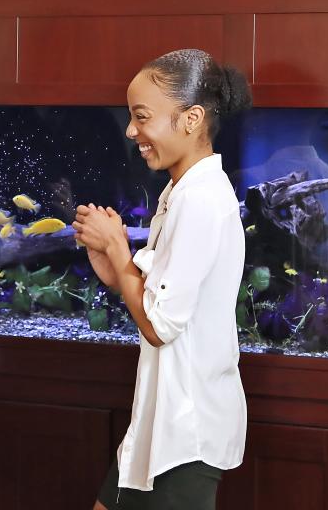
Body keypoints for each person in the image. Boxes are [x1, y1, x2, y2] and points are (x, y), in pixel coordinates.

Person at [72, 49, 251, 510]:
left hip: (186, 429)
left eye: (142, 117)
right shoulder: (179, 190)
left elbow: (158, 325)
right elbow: (150, 293)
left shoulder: (201, 199)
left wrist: (117, 246)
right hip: (159, 419)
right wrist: (111, 263)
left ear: (191, 118)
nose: (132, 131)